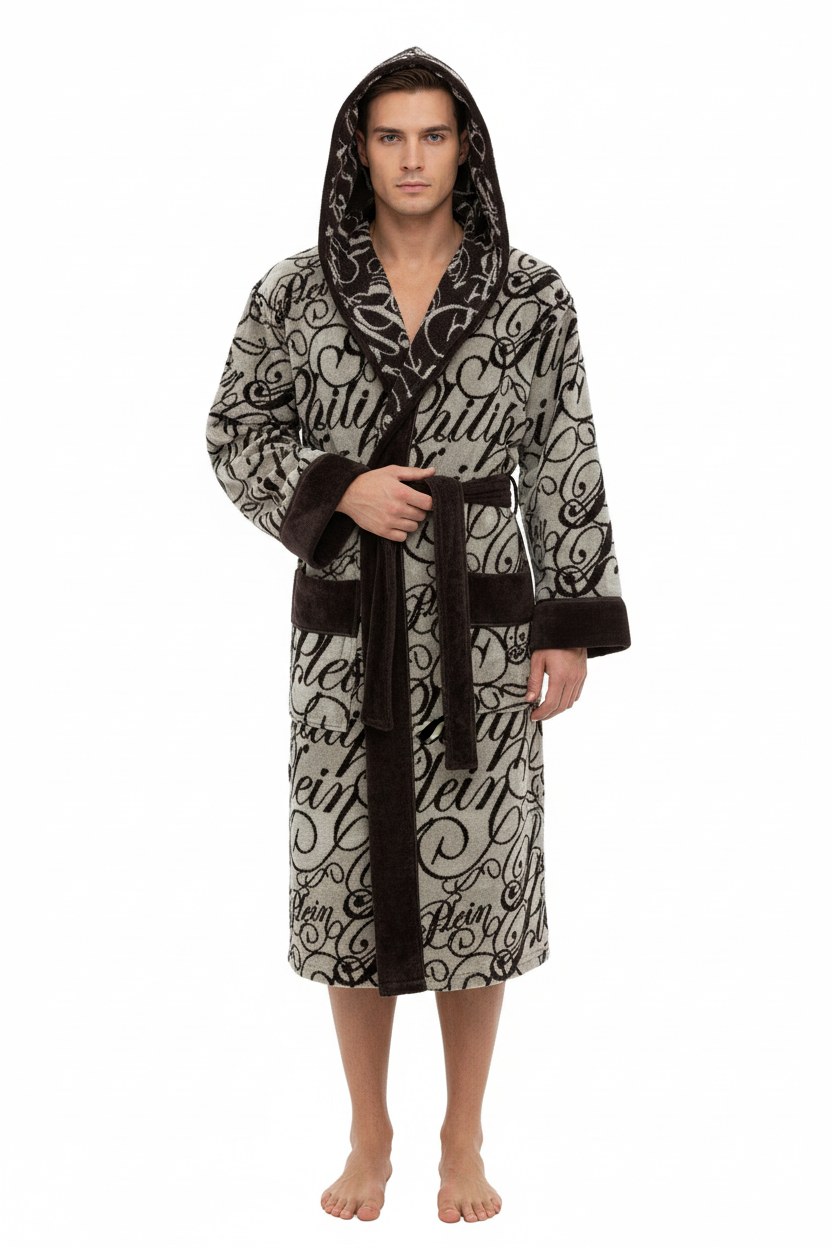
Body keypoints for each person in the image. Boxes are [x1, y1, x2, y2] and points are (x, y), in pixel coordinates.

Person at [206, 45, 631, 1225]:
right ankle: (368, 1130)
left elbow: (564, 452)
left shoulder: (530, 294)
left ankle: (463, 1132)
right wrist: (338, 489)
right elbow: (235, 428)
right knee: (343, 874)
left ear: (463, 150)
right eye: (389, 136)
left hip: (479, 619)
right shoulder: (293, 293)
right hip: (348, 629)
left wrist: (567, 624)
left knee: (478, 877)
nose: (410, 158)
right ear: (359, 151)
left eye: (431, 135)